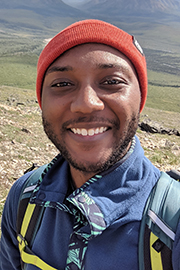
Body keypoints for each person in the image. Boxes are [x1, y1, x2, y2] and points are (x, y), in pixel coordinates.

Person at [0, 19, 180, 270]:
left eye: (111, 81)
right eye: (62, 84)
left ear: (140, 99)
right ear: (42, 101)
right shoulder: (24, 199)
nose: (86, 103)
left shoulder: (173, 221)